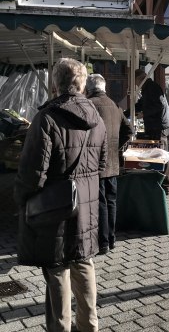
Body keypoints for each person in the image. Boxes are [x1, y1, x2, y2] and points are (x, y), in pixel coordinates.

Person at [13, 58, 107, 332]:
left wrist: (20, 199)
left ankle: (60, 328)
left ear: (56, 84)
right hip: (86, 208)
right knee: (83, 263)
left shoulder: (46, 118)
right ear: (81, 84)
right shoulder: (97, 118)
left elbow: (32, 172)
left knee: (57, 270)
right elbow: (101, 166)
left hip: (55, 210)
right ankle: (89, 325)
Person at [86, 74, 133, 254]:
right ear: (104, 88)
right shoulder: (115, 106)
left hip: (95, 164)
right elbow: (129, 131)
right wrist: (116, 148)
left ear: (88, 89)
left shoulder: (89, 105)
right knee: (111, 201)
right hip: (113, 163)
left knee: (100, 203)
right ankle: (112, 239)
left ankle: (103, 242)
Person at [133, 69, 169, 194]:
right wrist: (128, 111)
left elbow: (158, 106)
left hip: (159, 126)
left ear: (140, 79)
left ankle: (164, 186)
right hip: (156, 125)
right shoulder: (147, 87)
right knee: (158, 154)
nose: (135, 84)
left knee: (162, 154)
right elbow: (142, 104)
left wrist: (143, 114)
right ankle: (160, 182)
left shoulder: (151, 87)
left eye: (135, 81)